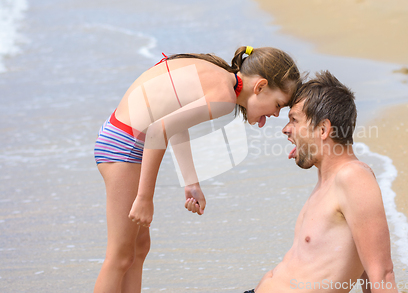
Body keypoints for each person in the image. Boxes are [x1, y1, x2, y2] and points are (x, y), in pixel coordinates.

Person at [93, 46, 301, 293]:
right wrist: (144, 198)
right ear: (260, 87)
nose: (276, 114)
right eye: (278, 105)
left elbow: (173, 121)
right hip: (124, 147)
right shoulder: (223, 98)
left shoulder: (219, 75)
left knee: (139, 248)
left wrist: (191, 182)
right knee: (119, 256)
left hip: (120, 137)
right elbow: (159, 131)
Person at [245, 71, 398, 293]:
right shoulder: (327, 182)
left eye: (294, 120)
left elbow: (382, 274)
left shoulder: (354, 177)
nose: (286, 129)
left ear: (323, 129)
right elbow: (365, 268)